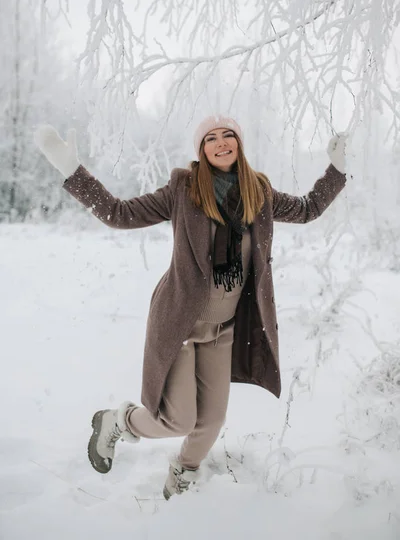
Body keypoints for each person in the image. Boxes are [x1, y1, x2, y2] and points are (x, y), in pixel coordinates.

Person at [34, 116, 347, 500]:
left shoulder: (258, 192)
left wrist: (337, 171)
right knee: (178, 420)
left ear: (239, 143)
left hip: (224, 330)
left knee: (211, 421)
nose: (220, 143)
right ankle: (117, 421)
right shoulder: (183, 188)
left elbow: (307, 208)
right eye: (210, 138)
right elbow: (118, 213)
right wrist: (73, 172)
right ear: (201, 149)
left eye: (227, 135)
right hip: (181, 324)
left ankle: (183, 475)